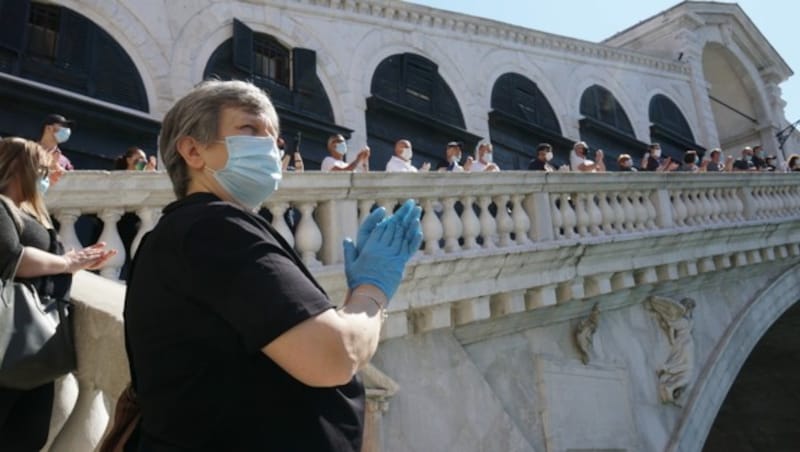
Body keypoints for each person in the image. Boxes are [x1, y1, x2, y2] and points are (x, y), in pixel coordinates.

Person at [124, 80, 423, 451]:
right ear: (192, 150)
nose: (269, 147)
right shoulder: (214, 229)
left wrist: (352, 297)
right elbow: (334, 355)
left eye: (275, 138)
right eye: (249, 129)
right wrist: (374, 288)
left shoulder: (191, 231)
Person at [0, 137, 115, 450]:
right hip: (11, 339)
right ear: (18, 169)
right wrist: (67, 262)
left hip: (33, 345)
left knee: (26, 436)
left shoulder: (30, 213)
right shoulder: (1, 206)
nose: (47, 179)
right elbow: (13, 257)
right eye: (41, 171)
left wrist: (77, 261)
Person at [38, 114, 76, 183]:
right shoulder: (27, 151)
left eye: (67, 127)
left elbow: (72, 183)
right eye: (63, 126)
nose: (67, 130)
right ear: (48, 128)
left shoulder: (65, 162)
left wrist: (58, 168)